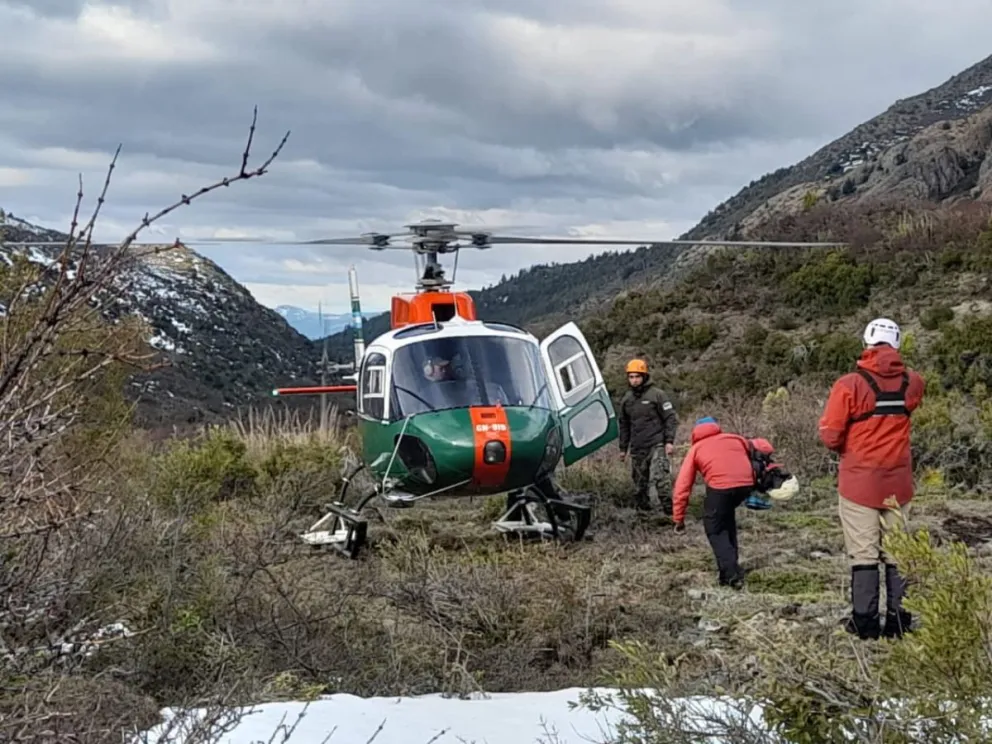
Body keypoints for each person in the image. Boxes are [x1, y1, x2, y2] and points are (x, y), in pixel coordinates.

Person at [818, 317, 926, 640]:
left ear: (866, 342)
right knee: (898, 553)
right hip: (899, 485)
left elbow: (830, 435)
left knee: (864, 554)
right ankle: (898, 623)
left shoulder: (849, 385)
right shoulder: (914, 382)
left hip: (859, 484)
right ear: (896, 344)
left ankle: (864, 625)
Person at [672, 417, 794, 589]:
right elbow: (765, 446)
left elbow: (682, 486)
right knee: (727, 520)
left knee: (715, 528)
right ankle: (728, 570)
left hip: (720, 488)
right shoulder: (734, 439)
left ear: (695, 432)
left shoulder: (696, 449)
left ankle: (731, 576)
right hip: (745, 485)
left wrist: (678, 519)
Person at [617, 358, 678, 513]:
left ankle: (671, 513)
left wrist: (669, 441)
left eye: (637, 376)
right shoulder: (627, 399)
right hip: (637, 447)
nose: (634, 380)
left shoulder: (657, 395)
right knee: (639, 484)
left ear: (644, 376)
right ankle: (644, 514)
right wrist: (623, 449)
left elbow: (670, 418)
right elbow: (624, 425)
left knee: (661, 479)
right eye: (631, 377)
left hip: (656, 443)